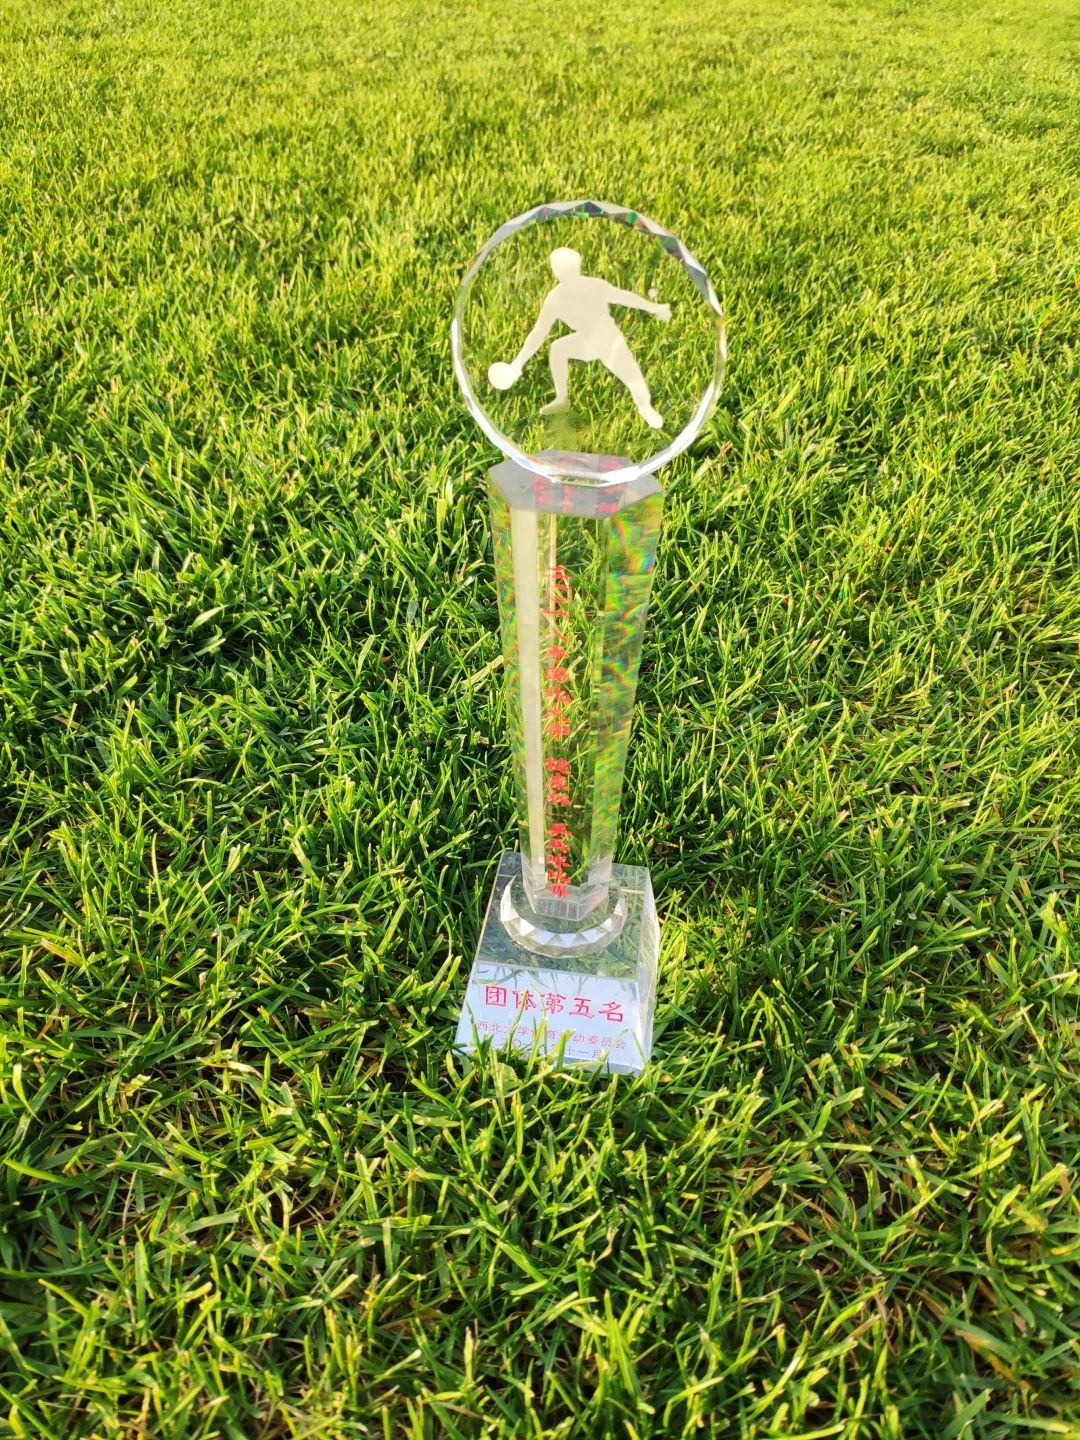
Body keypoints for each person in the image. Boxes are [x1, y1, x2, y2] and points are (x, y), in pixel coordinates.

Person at [492, 247, 670, 428]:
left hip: (609, 339)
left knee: (631, 374)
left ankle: (645, 408)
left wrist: (653, 307)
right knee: (558, 348)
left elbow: (623, 297)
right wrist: (517, 363)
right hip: (586, 341)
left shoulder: (592, 286)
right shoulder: (556, 298)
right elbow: (538, 332)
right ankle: (562, 398)